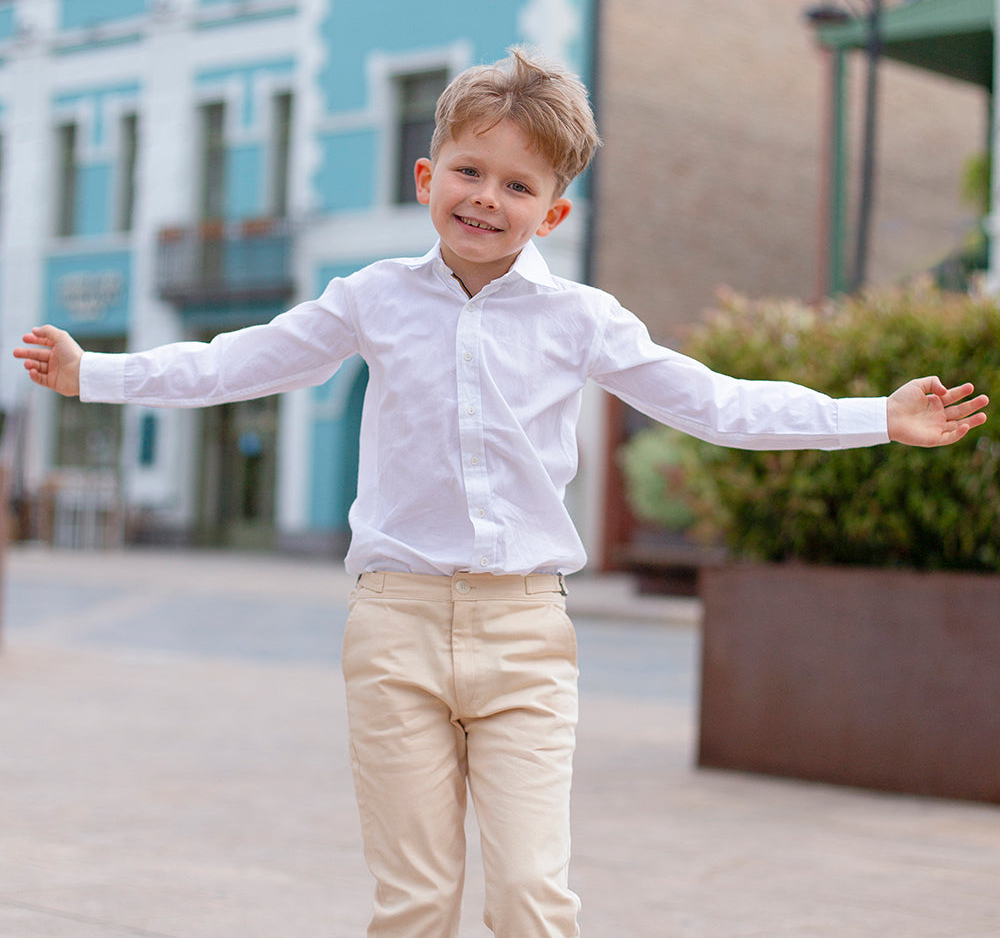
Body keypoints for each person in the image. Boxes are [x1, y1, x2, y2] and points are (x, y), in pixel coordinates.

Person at [13, 47, 989, 938]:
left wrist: (873, 415)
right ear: (426, 177)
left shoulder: (581, 320)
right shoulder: (371, 298)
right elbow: (232, 364)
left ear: (552, 211)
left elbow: (717, 403)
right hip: (393, 627)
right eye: (469, 172)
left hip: (526, 634)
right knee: (414, 902)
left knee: (530, 894)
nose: (486, 198)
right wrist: (94, 375)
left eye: (517, 184)